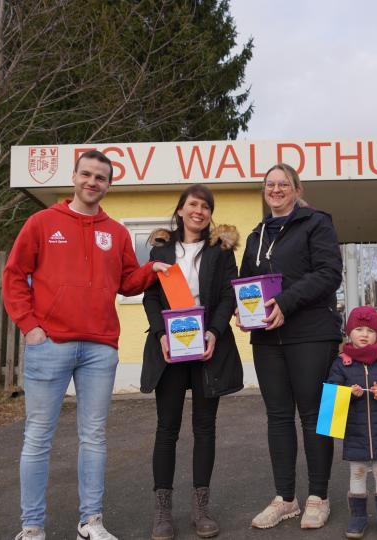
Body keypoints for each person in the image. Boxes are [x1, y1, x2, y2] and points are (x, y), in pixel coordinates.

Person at [3, 150, 170, 540]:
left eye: (101, 177)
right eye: (87, 174)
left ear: (109, 185)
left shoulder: (116, 233)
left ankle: (91, 523)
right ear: (74, 177)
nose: (93, 182)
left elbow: (126, 282)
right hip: (49, 344)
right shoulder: (42, 223)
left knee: (93, 437)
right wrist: (30, 327)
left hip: (99, 348)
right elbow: (14, 276)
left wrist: (151, 270)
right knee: (37, 437)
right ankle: (32, 528)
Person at [239, 163, 343, 530]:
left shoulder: (317, 223)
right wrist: (243, 309)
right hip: (268, 337)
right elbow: (246, 281)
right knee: (278, 416)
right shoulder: (256, 235)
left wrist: (285, 301)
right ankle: (285, 498)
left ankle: (318, 496)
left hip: (313, 333)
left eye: (284, 184)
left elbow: (329, 274)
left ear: (297, 190)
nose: (276, 189)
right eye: (270, 184)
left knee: (317, 415)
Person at [140, 184, 243, 539]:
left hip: (207, 349)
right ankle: (163, 512)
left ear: (210, 214)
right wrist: (161, 335)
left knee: (205, 428)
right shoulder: (161, 249)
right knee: (166, 429)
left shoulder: (220, 251)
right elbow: (151, 298)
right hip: (170, 349)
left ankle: (201, 509)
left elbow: (229, 296)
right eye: (193, 204)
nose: (199, 211)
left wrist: (214, 332)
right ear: (181, 209)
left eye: (206, 207)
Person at [326, 305, 377, 540]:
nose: (364, 334)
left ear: (376, 335)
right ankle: (358, 517)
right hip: (354, 431)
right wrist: (348, 393)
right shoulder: (341, 362)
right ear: (349, 332)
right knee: (358, 472)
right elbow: (333, 391)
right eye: (359, 329)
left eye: (370, 331)